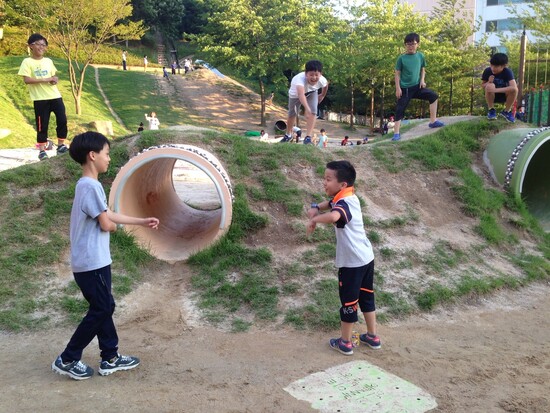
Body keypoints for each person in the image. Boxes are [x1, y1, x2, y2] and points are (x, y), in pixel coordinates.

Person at [51, 131, 160, 380]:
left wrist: (141, 221)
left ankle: (110, 356)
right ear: (93, 155)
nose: (109, 159)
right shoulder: (90, 186)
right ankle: (68, 358)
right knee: (102, 308)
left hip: (95, 261)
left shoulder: (89, 186)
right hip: (91, 263)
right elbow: (105, 223)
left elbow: (108, 213)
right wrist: (113, 226)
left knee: (104, 307)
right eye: (107, 154)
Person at [306, 160, 381, 356]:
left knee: (349, 302)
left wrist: (314, 219)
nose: (324, 183)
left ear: (342, 185)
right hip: (366, 258)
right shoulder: (348, 196)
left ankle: (345, 342)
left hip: (352, 264)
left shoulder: (344, 204)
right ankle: (373, 336)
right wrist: (316, 206)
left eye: (328, 179)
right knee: (367, 296)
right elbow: (329, 204)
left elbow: (334, 216)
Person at [18, 33, 69, 161]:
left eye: (44, 45)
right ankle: (42, 151)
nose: (41, 47)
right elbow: (27, 80)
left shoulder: (48, 61)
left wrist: (54, 80)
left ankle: (61, 145)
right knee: (42, 125)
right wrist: (46, 79)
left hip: (55, 96)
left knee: (62, 119)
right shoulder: (27, 62)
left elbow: (53, 77)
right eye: (38, 44)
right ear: (31, 46)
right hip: (40, 99)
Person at [392, 33, 444, 141]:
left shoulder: (420, 56)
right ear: (405, 45)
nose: (410, 46)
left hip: (417, 87)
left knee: (433, 96)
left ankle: (433, 121)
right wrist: (398, 88)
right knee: (400, 109)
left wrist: (422, 80)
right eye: (408, 44)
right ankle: (396, 133)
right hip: (405, 89)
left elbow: (423, 69)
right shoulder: (401, 58)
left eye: (413, 44)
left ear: (418, 44)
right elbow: (397, 73)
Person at [283, 60, 329, 144]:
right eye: (311, 75)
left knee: (313, 112)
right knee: (292, 114)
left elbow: (325, 85)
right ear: (305, 74)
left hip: (312, 92)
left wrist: (322, 95)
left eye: (316, 75)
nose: (314, 77)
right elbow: (301, 95)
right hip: (296, 95)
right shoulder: (299, 80)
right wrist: (307, 108)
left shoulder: (322, 80)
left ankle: (308, 137)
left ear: (320, 74)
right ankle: (288, 135)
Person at [481, 53, 518, 123]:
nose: (493, 68)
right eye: (491, 65)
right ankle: (491, 110)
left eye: (496, 66)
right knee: (490, 85)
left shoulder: (508, 72)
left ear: (504, 66)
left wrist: (495, 90)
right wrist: (488, 82)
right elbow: (483, 85)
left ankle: (506, 111)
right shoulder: (487, 71)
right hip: (491, 95)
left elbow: (514, 87)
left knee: (514, 90)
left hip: (505, 95)